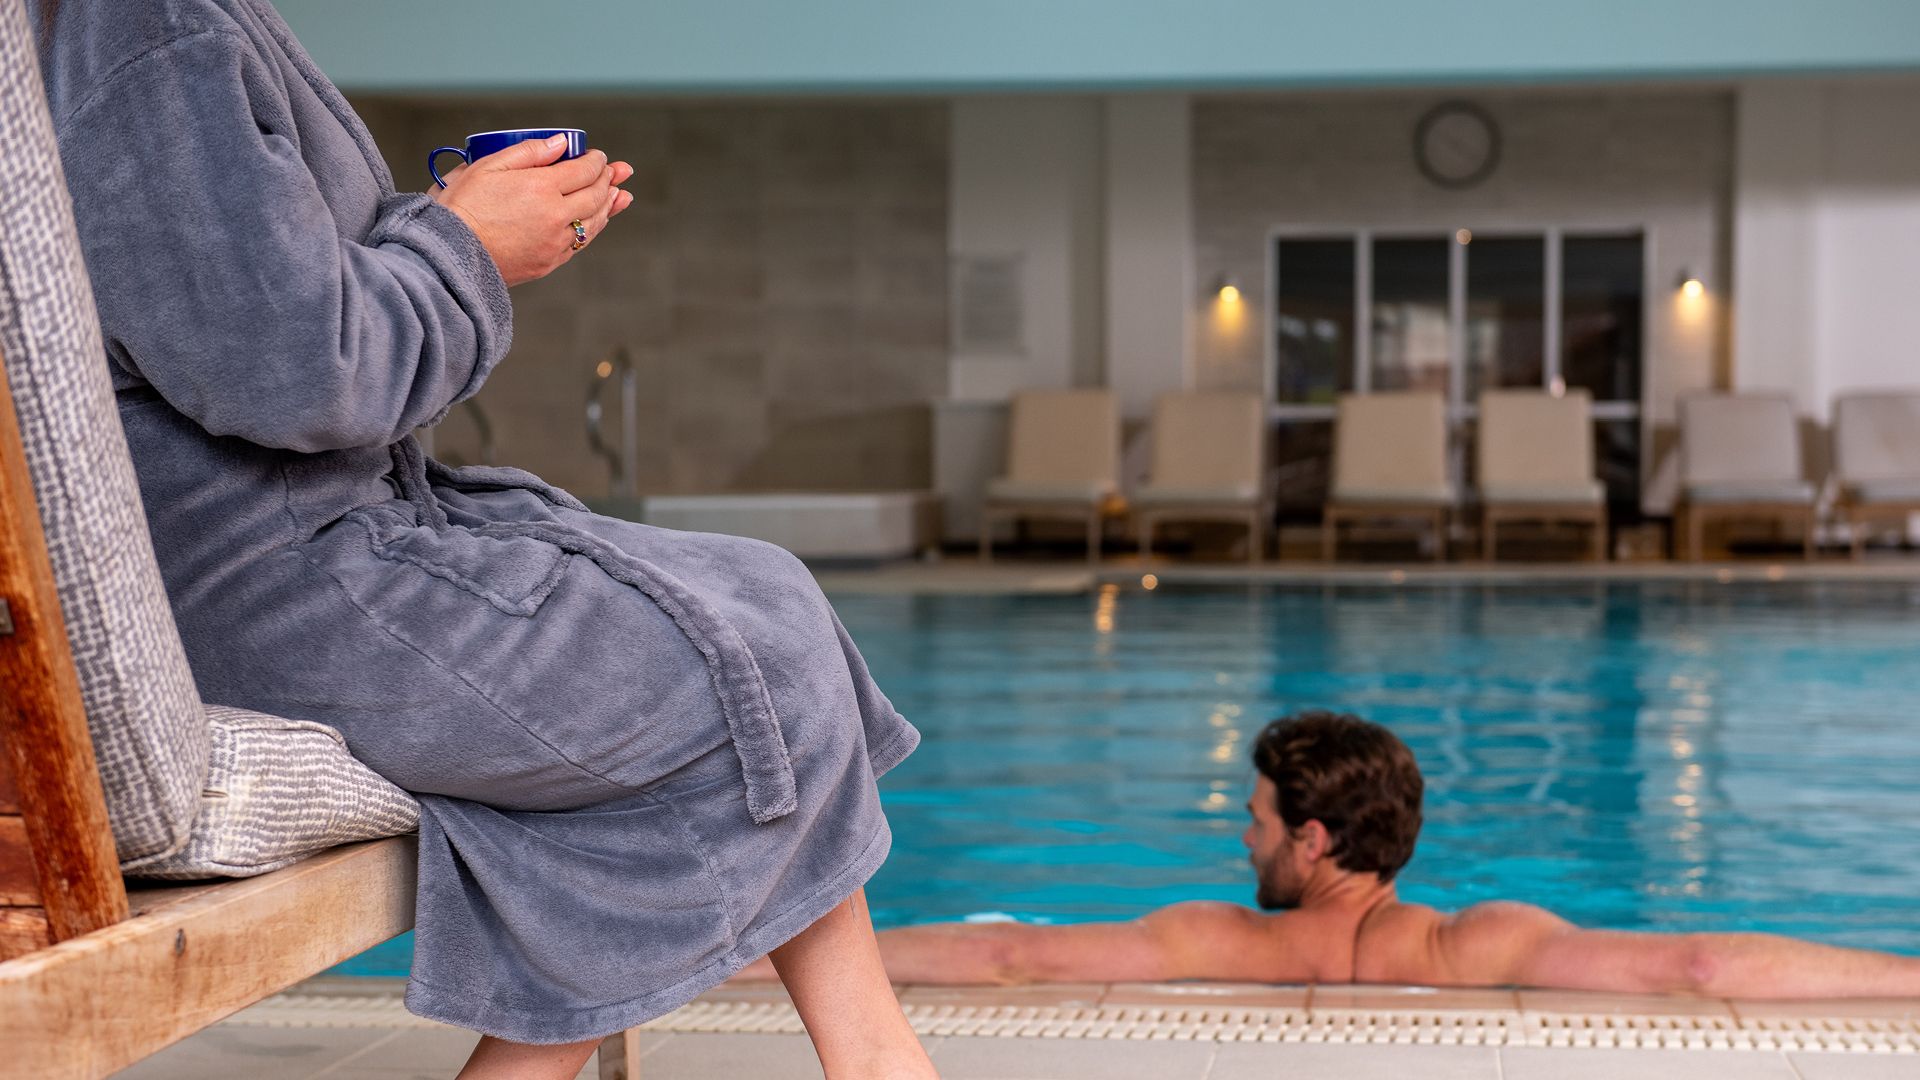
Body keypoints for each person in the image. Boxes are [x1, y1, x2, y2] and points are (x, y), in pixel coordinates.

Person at [29, 1, 934, 1077]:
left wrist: (459, 224)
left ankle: (875, 1058)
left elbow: (237, 305)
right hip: (273, 594)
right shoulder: (143, 25)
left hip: (287, 561)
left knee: (764, 591)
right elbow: (297, 374)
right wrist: (466, 245)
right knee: (749, 675)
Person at [754, 712, 1920, 999]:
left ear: (1312, 842)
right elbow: (1698, 972)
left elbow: (1009, 957)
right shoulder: (1485, 944)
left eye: (1257, 818)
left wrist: (744, 961)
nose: (1242, 833)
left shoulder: (1213, 940)